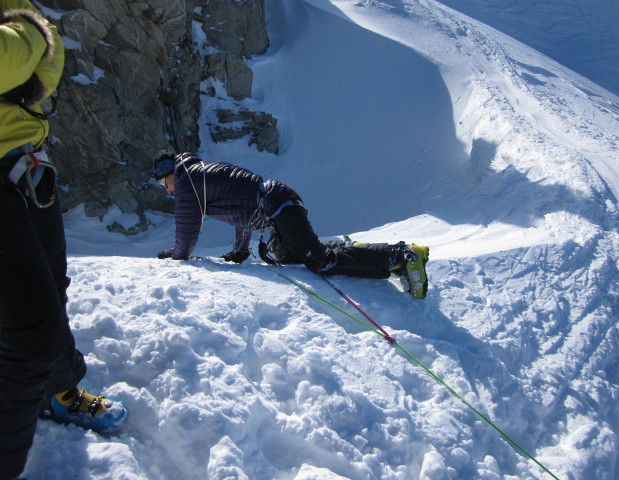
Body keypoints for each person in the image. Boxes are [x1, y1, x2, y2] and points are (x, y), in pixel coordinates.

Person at [0, 3, 127, 479]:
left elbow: (44, 67)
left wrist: (28, 41)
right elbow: (22, 57)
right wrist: (33, 32)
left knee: (52, 291)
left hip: (25, 165)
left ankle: (59, 392)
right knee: (30, 333)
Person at [152, 150, 429, 298]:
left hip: (280, 207)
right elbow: (240, 211)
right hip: (281, 203)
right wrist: (239, 250)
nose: (167, 191)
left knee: (320, 261)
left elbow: (187, 229)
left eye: (164, 184)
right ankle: (375, 257)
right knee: (289, 256)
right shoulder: (200, 174)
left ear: (168, 174)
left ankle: (402, 255)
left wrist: (177, 256)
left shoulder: (188, 179)